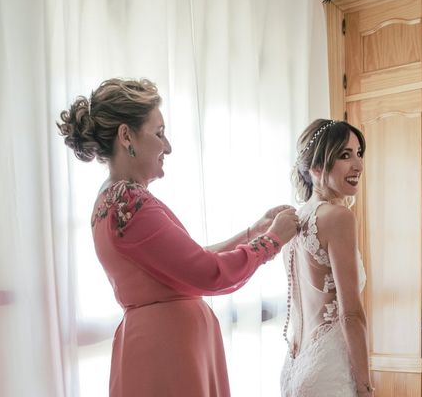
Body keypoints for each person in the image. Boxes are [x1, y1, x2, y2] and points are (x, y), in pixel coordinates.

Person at [57, 78, 298, 397]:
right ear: (126, 135)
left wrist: (254, 232)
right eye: (159, 133)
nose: (167, 146)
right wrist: (272, 242)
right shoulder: (129, 202)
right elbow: (208, 272)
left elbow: (185, 261)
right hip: (167, 355)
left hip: (164, 347)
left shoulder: (112, 200)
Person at [280, 119, 374, 396]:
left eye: (359, 153)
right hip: (329, 368)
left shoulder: (295, 219)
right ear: (316, 167)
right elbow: (351, 314)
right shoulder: (338, 218)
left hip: (295, 366)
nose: (358, 165)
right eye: (345, 155)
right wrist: (365, 386)